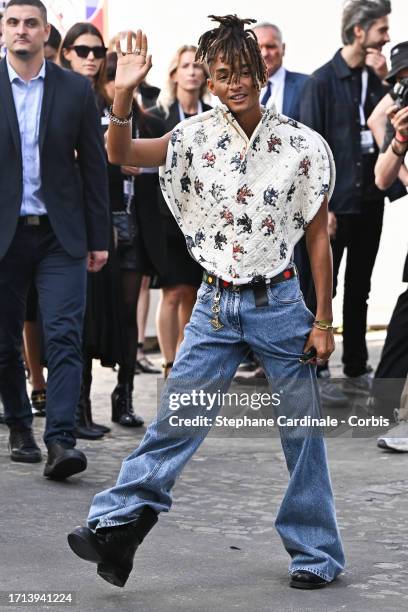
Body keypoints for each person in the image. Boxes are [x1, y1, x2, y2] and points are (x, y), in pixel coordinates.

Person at [68, 17, 345, 590]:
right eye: (222, 75)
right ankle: (117, 529)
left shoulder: (301, 145)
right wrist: (122, 92)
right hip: (215, 308)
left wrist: (323, 319)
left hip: (281, 303)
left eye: (242, 71)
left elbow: (318, 236)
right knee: (175, 419)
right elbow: (121, 153)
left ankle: (316, 553)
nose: (233, 83)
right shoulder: (192, 138)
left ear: (262, 70)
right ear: (212, 82)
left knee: (302, 433)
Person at [0, 0, 109, 478]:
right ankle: (20, 426)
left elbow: (93, 167)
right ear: (2, 31)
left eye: (31, 23)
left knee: (65, 336)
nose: (22, 31)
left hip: (60, 237)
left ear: (47, 33)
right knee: (3, 344)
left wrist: (98, 236)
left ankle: (61, 442)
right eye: (13, 23)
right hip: (4, 237)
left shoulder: (73, 90)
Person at [299, 0, 405, 391]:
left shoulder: (380, 79)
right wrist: (320, 206)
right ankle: (314, 364)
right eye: (381, 29)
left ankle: (357, 367)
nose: (387, 36)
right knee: (321, 288)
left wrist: (386, 81)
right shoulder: (321, 82)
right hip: (333, 207)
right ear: (359, 31)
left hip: (369, 202)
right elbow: (308, 152)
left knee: (360, 288)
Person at [149, 45, 211, 378]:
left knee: (193, 290)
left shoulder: (212, 114)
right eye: (185, 65)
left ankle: (188, 360)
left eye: (197, 66)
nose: (192, 71)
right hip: (166, 217)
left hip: (202, 219)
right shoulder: (157, 114)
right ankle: (169, 362)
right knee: (171, 291)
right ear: (174, 73)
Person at [367, 41, 408, 451]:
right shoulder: (400, 113)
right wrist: (398, 140)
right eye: (400, 81)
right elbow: (382, 178)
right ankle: (384, 403)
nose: (405, 87)